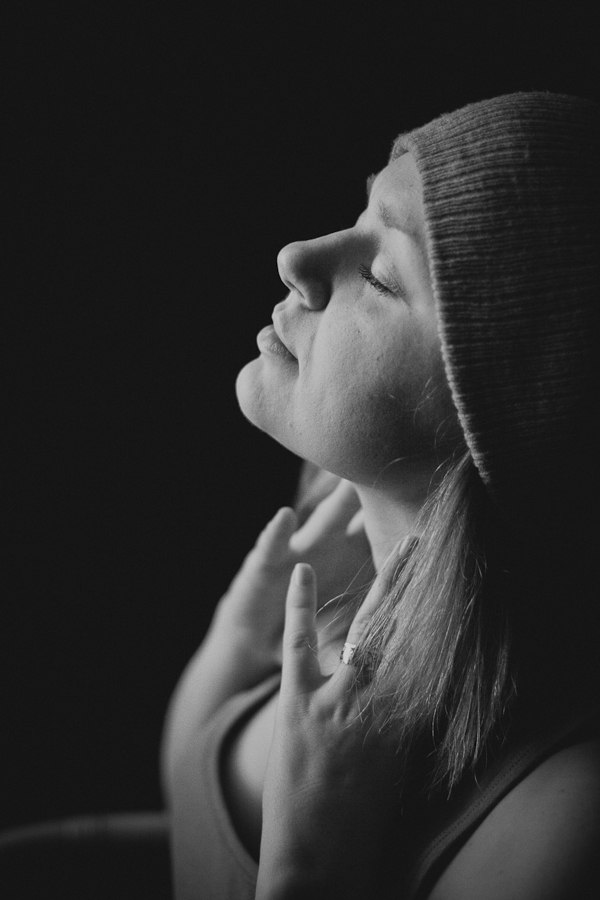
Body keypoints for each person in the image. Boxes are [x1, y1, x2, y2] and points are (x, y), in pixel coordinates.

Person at [161, 92, 600, 899]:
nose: (298, 256)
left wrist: (308, 871)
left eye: (379, 274)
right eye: (360, 212)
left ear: (497, 423)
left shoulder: (562, 827)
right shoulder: (325, 588)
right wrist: (237, 640)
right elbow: (185, 802)